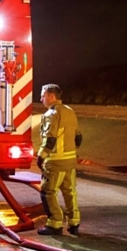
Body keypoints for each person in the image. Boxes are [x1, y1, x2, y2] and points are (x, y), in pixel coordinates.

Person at [36, 83, 83, 236]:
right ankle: (74, 223)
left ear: (51, 96)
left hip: (55, 162)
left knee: (48, 192)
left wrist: (41, 157)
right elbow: (78, 138)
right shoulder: (70, 111)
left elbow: (50, 140)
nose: (41, 99)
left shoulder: (51, 114)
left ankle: (55, 224)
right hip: (70, 161)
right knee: (70, 191)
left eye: (43, 96)